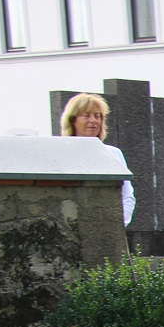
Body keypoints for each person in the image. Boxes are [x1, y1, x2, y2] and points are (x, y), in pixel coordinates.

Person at [59, 92, 136, 227]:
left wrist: (117, 225)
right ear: (72, 120)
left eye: (97, 116)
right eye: (86, 115)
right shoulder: (62, 152)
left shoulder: (114, 153)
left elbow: (127, 195)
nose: (93, 121)